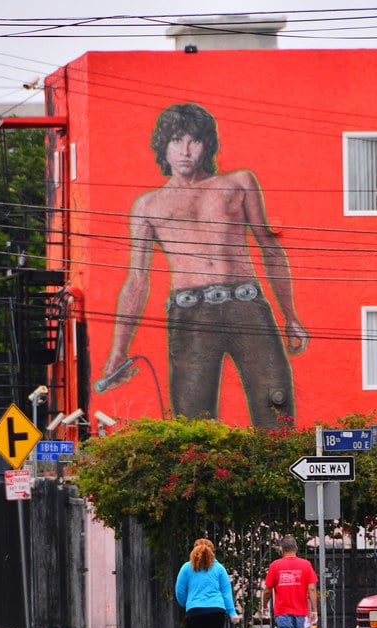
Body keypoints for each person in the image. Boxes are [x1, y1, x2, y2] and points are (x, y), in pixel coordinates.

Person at [97, 102, 310, 429]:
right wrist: (119, 349)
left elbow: (269, 247)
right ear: (163, 146)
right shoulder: (147, 206)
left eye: (194, 140)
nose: (185, 150)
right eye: (176, 140)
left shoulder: (238, 183)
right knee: (192, 421)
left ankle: (285, 478)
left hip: (246, 306)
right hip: (189, 314)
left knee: (276, 406)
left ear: (206, 145)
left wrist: (291, 315)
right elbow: (137, 281)